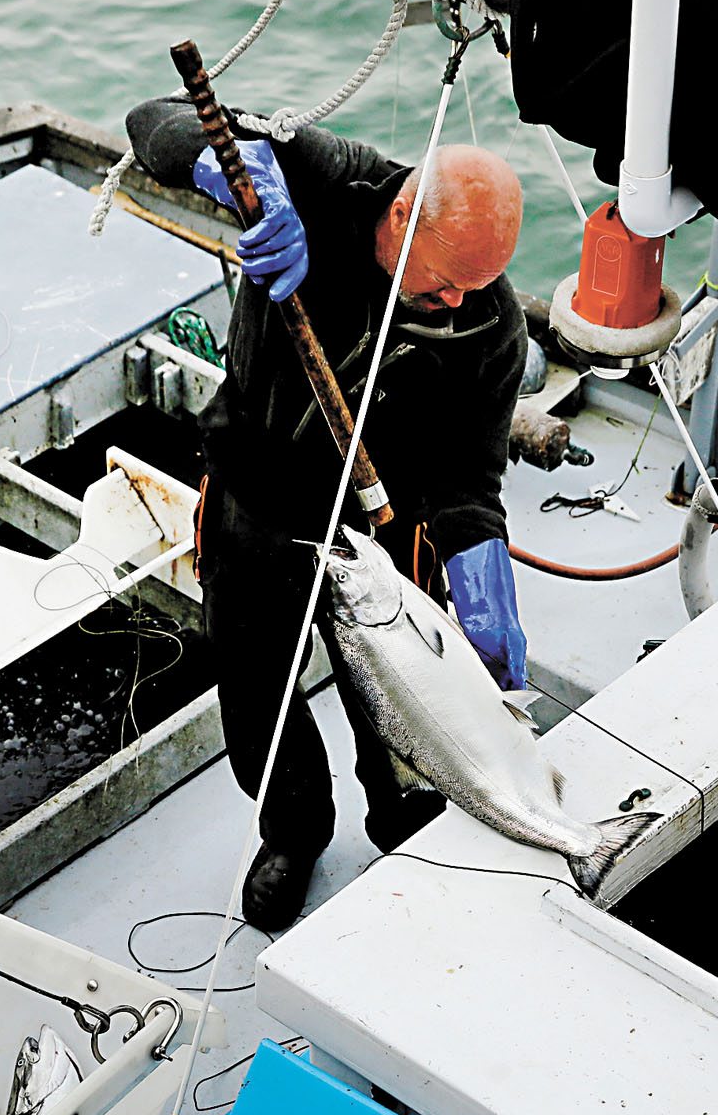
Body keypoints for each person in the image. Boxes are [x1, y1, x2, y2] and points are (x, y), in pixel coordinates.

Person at [125, 100, 531, 930]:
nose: (457, 302)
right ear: (403, 213)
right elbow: (151, 121)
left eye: (477, 286)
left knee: (402, 703)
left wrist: (481, 566)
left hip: (387, 531)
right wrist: (227, 169)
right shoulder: (318, 173)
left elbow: (470, 477)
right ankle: (294, 830)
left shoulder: (492, 327)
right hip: (256, 498)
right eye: (448, 277)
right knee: (256, 692)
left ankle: (406, 822)